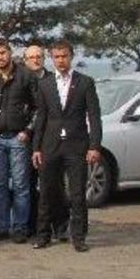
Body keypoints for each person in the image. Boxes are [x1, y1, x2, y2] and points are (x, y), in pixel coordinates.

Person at [32, 41, 102, 253]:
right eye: (56, 57)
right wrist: (36, 147)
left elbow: (94, 116)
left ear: (71, 57)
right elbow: (41, 117)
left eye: (64, 56)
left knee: (78, 193)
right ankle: (43, 235)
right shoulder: (44, 84)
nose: (61, 60)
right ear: (51, 58)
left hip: (76, 144)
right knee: (46, 191)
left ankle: (79, 237)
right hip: (50, 145)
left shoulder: (85, 82)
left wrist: (94, 145)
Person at [0, 37, 38, 243]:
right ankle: (1, 225)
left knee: (21, 185)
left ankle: (20, 227)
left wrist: (28, 130)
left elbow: (38, 108)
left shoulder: (26, 75)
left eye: (2, 53)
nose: (0, 57)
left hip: (18, 137)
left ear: (10, 52)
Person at [23, 43, 56, 238]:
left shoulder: (53, 80)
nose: (35, 60)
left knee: (50, 184)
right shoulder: (20, 79)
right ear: (25, 60)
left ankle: (55, 225)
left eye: (39, 57)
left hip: (49, 139)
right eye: (31, 57)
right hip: (26, 138)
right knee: (26, 184)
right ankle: (31, 224)